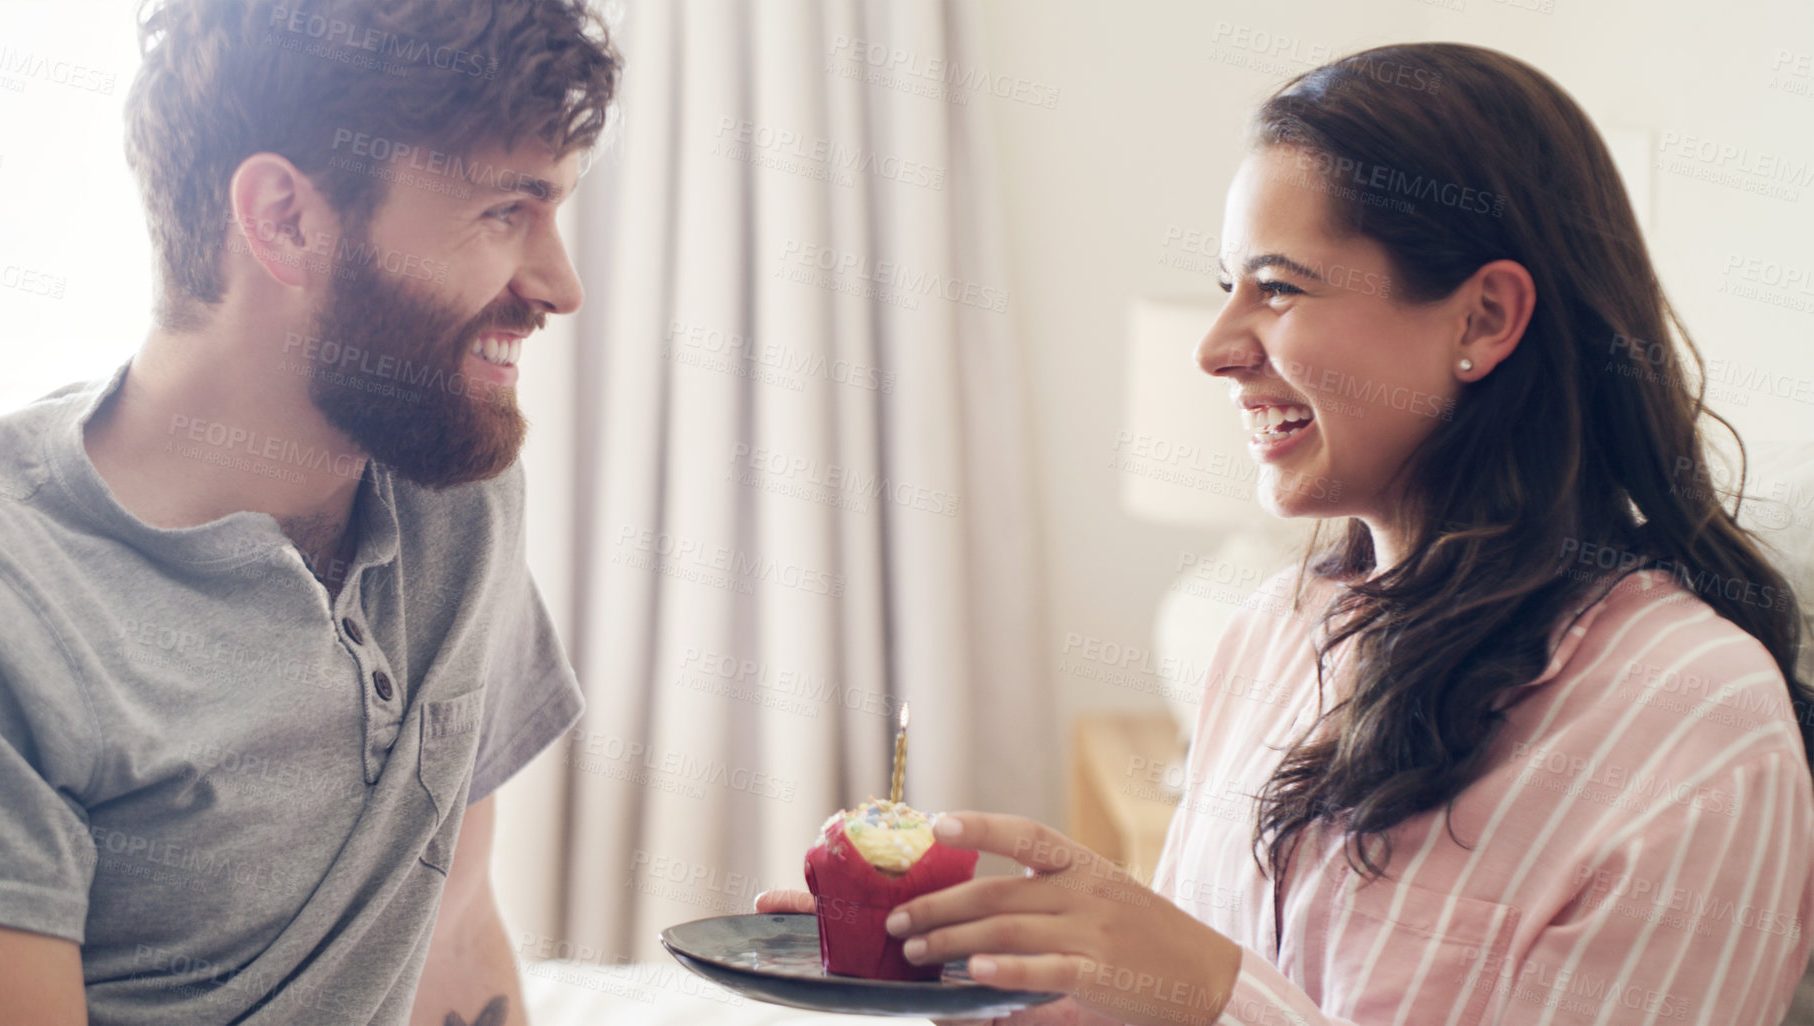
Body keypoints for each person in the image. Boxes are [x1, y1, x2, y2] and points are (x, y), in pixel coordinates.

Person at [761, 42, 1814, 1025]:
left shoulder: (1699, 733)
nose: (1217, 348)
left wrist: (1217, 997)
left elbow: (1218, 998)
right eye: (1231, 288)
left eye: (1278, 288)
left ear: (1484, 319)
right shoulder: (1269, 636)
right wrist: (970, 983)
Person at [0, 1, 619, 1023]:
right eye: (506, 213)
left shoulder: (456, 487)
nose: (560, 285)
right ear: (284, 218)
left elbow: (453, 925)